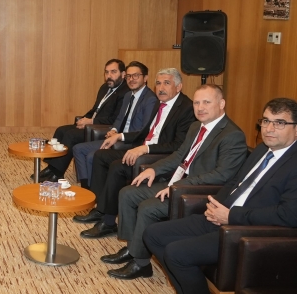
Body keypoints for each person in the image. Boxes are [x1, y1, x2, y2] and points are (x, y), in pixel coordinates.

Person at [143, 98, 297, 294]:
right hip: (224, 217)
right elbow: (235, 183)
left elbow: (290, 216)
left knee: (177, 253)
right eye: (266, 121)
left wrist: (231, 215)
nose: (269, 129)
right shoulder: (263, 149)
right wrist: (216, 206)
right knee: (154, 234)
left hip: (249, 234)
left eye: (279, 123)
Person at [103, 84, 248, 279]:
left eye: (206, 102)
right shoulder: (196, 126)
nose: (200, 108)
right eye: (196, 103)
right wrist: (154, 169)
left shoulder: (232, 135)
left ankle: (141, 263)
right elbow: (179, 155)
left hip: (196, 192)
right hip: (178, 182)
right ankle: (133, 248)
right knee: (128, 193)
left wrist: (179, 187)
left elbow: (222, 175)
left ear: (221, 104)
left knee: (148, 207)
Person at [77, 68, 195, 238]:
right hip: (142, 149)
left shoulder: (186, 108)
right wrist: (120, 136)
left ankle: (108, 222)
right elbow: (144, 132)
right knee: (101, 155)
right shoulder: (160, 103)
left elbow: (178, 145)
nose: (161, 88)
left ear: (179, 87)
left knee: (118, 167)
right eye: (158, 83)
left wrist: (145, 149)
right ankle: (100, 209)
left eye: (167, 83)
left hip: (158, 157)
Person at [38, 59, 129, 182]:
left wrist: (91, 122)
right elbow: (95, 109)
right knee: (61, 130)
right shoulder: (104, 88)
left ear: (123, 74)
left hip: (102, 129)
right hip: (92, 124)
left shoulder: (125, 93)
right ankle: (51, 168)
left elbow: (115, 119)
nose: (109, 76)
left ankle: (57, 173)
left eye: (113, 72)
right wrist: (82, 120)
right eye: (106, 72)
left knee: (71, 135)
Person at [70, 61, 157, 188]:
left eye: (136, 76)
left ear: (145, 78)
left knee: (92, 156)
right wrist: (114, 129)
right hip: (117, 138)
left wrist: (120, 136)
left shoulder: (150, 99)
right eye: (129, 76)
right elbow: (120, 118)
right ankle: (86, 187)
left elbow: (144, 131)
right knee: (78, 149)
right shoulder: (128, 95)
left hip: (132, 143)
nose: (131, 79)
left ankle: (93, 190)